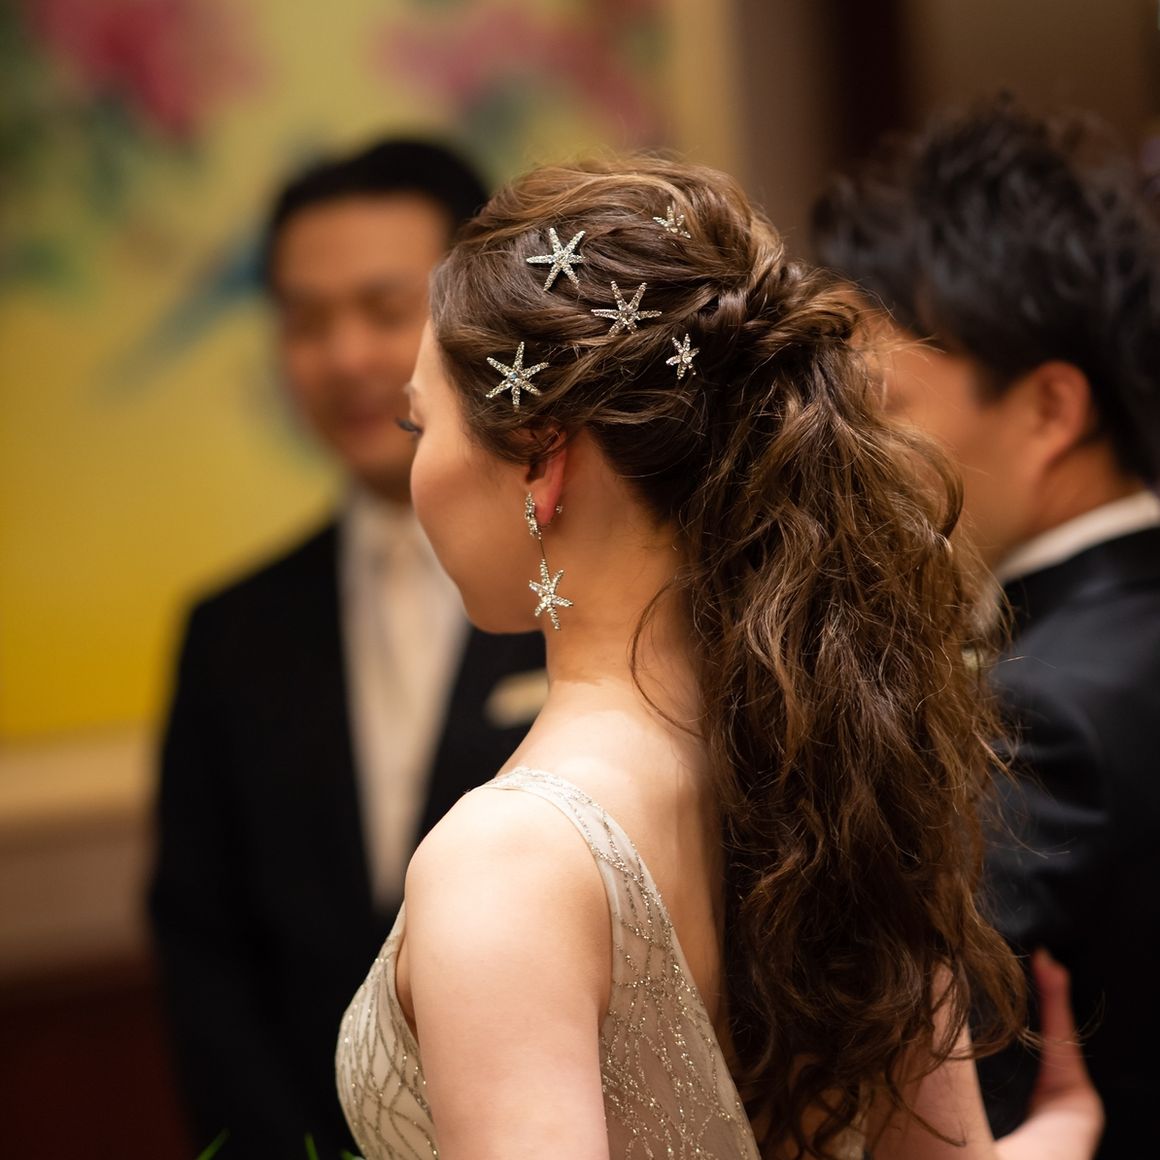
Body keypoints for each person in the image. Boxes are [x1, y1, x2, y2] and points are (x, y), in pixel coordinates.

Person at [335, 156, 1103, 1159]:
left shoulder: (509, 862)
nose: (415, 464)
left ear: (539, 454)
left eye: (418, 422)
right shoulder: (843, 777)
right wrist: (1061, 1131)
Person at [148, 139, 546, 1159]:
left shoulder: (583, 588)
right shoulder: (229, 633)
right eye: (306, 321)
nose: (346, 357)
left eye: (384, 308)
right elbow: (205, 949)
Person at [811, 98, 1160, 1157]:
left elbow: (947, 1090)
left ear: (1050, 409)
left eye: (880, 405)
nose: (848, 454)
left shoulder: (1039, 706)